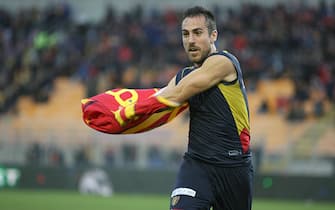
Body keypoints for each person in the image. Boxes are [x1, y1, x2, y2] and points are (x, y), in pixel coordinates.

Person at [115, 6, 253, 210]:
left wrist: (130, 110)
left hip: (234, 169)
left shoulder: (224, 63)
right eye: (185, 34)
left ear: (213, 35)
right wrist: (115, 113)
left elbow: (177, 93)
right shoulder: (183, 76)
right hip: (196, 166)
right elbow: (161, 98)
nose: (191, 41)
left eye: (198, 33)